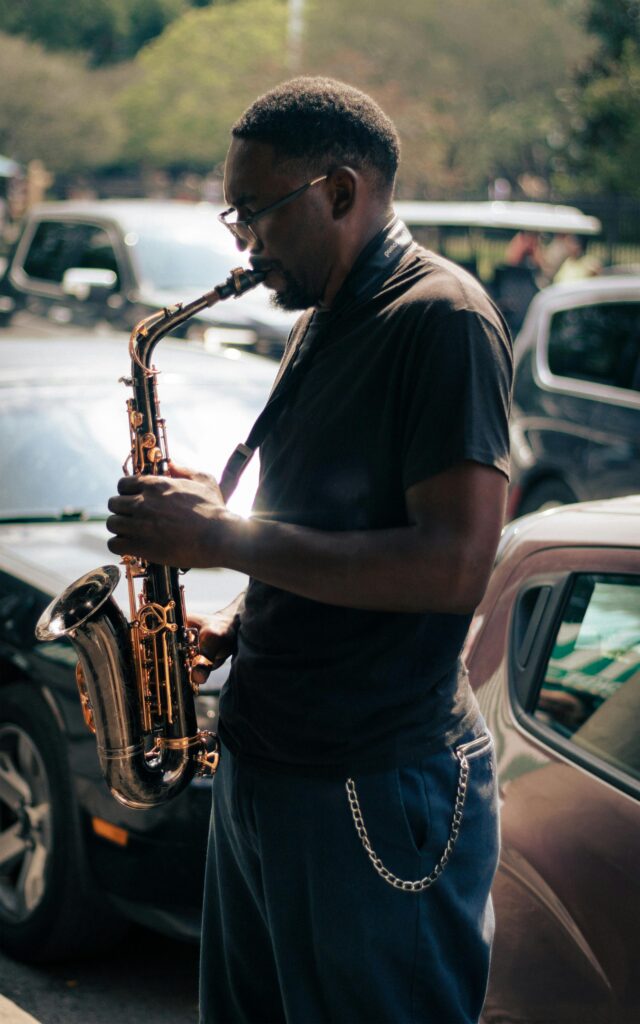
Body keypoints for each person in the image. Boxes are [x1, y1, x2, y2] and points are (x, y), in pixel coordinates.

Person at [106, 77, 512, 1024]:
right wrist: (235, 627)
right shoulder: (325, 317)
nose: (242, 243)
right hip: (273, 763)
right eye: (233, 215)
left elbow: (452, 565)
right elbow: (332, 517)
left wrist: (219, 536)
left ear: (339, 192)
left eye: (255, 213)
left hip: (370, 783)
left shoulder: (441, 320)